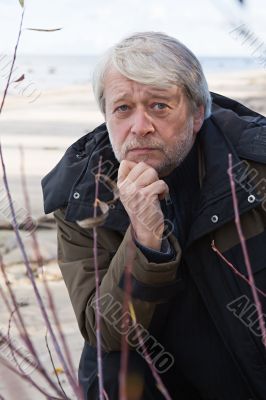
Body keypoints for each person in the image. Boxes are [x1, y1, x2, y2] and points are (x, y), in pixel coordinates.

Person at [42, 32, 266, 400]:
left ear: (197, 114)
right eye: (123, 108)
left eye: (159, 106)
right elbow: (106, 331)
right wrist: (145, 240)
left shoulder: (255, 168)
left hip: (248, 373)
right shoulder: (81, 197)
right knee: (112, 366)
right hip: (146, 383)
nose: (140, 126)